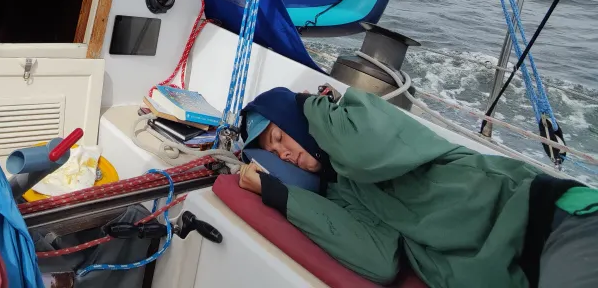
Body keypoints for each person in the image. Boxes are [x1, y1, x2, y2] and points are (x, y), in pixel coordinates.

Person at [237, 86, 598, 288]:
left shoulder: (357, 115)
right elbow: (379, 262)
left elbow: (364, 153)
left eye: (280, 137)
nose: (285, 155)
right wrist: (281, 194)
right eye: (275, 154)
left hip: (553, 224)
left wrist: (309, 106)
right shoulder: (338, 194)